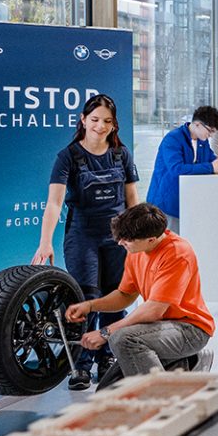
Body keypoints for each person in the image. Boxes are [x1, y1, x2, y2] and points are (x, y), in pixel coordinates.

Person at [31, 94, 138, 390]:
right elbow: (54, 203)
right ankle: (79, 364)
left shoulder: (121, 154)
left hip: (118, 237)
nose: (100, 126)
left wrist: (138, 239)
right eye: (94, 120)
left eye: (107, 121)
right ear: (83, 120)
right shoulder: (68, 157)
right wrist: (45, 242)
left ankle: (107, 356)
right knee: (85, 299)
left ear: (114, 124)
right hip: (83, 236)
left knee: (116, 298)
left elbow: (132, 200)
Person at [62, 203, 214, 377]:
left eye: (126, 240)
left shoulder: (178, 253)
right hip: (158, 328)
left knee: (124, 339)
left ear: (151, 239)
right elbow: (125, 295)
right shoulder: (136, 250)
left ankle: (157, 399)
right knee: (110, 390)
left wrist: (105, 332)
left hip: (190, 330)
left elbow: (154, 311)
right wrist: (89, 306)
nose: (120, 243)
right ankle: (186, 362)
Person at [147, 106, 218, 230]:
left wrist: (215, 163)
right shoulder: (173, 139)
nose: (210, 135)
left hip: (186, 200)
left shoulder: (202, 141)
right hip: (165, 203)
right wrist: (210, 167)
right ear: (198, 124)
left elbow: (212, 159)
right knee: (168, 244)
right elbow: (177, 169)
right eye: (209, 130)